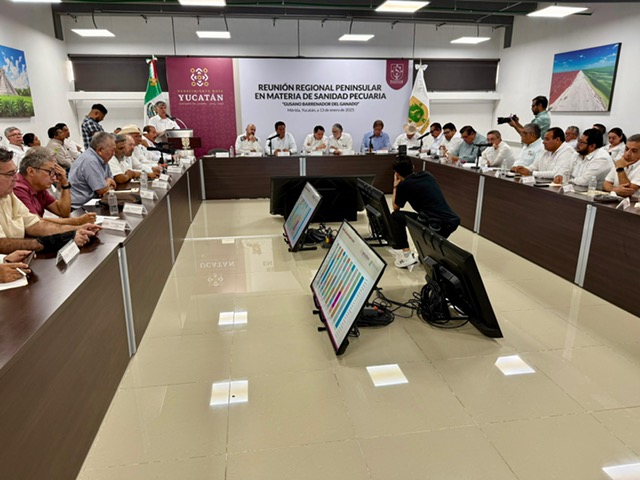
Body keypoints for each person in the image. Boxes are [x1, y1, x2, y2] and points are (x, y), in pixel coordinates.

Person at [0, 147, 99, 254]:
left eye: (15, 172)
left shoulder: (9, 195)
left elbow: (35, 224)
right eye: (10, 174)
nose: (15, 178)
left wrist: (76, 229)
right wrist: (54, 241)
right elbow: (2, 244)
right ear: (31, 171)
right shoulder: (17, 188)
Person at [391, 157, 460, 268]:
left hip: (436, 223)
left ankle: (407, 255)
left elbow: (395, 207)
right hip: (451, 221)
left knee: (396, 216)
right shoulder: (427, 175)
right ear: (413, 167)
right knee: (424, 258)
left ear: (397, 174)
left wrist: (395, 186)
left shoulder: (403, 185)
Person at [13, 147, 95, 225]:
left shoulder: (39, 187)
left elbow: (63, 212)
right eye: (50, 172)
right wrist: (77, 221)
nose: (54, 178)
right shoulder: (18, 188)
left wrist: (65, 184)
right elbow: (36, 223)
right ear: (31, 171)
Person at [69, 131, 117, 209]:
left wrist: (108, 183)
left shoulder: (102, 159)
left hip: (93, 201)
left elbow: (111, 184)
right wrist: (108, 181)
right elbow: (102, 190)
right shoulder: (90, 160)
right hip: (79, 207)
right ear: (100, 150)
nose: (114, 153)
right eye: (112, 150)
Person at [602, 133, 640, 197]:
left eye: (634, 151)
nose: (628, 153)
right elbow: (605, 184)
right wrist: (615, 189)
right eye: (626, 149)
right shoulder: (621, 161)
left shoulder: (620, 164)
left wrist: (620, 169)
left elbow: (627, 191)